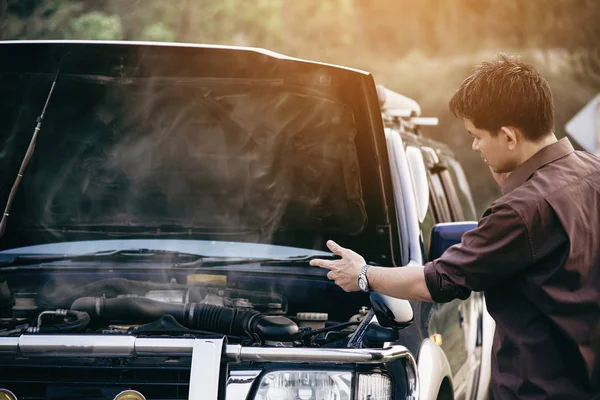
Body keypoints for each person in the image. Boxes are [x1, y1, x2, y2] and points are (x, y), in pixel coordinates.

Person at [310, 54, 600, 399]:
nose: (475, 146)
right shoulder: (591, 172)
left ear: (509, 136)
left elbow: (433, 282)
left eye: (476, 136)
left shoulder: (520, 211)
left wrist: (363, 274)